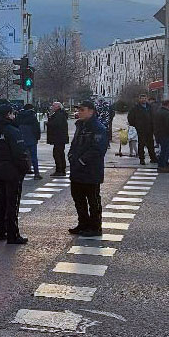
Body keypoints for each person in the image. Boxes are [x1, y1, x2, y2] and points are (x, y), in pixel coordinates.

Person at [0, 103, 31, 244]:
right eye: (12, 113)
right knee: (12, 203)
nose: (14, 116)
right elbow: (20, 153)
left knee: (0, 202)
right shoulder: (12, 130)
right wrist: (24, 168)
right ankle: (13, 234)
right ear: (8, 115)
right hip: (12, 171)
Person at [68, 100, 109, 237]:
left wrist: (81, 160)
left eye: (82, 110)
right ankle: (83, 223)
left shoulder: (98, 128)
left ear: (91, 111)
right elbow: (75, 144)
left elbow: (98, 149)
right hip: (77, 170)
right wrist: (71, 156)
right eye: (78, 110)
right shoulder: (81, 125)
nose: (79, 112)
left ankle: (95, 226)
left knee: (93, 199)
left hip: (91, 170)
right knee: (78, 198)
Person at [127, 94, 157, 165]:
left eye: (145, 98)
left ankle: (153, 158)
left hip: (149, 128)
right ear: (139, 99)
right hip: (141, 129)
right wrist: (136, 125)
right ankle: (142, 159)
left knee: (150, 144)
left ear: (146, 99)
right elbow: (130, 118)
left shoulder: (149, 107)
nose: (143, 100)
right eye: (142, 98)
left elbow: (153, 116)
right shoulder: (136, 108)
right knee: (141, 144)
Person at [16, 103, 42, 179]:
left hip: (21, 138)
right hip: (31, 139)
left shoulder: (19, 116)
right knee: (34, 156)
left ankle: (20, 172)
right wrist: (37, 138)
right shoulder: (32, 117)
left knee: (21, 156)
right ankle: (36, 173)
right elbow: (37, 129)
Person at [46, 102, 69, 176]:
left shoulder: (58, 115)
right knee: (60, 153)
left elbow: (55, 125)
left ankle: (59, 170)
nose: (52, 107)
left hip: (58, 138)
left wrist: (48, 123)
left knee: (57, 154)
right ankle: (62, 169)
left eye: (53, 105)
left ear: (58, 107)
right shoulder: (60, 114)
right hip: (60, 138)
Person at [154, 99, 169, 173]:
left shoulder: (158, 112)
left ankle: (163, 165)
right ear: (168, 104)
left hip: (159, 134)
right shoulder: (167, 113)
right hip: (166, 134)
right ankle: (162, 166)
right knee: (165, 151)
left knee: (163, 150)